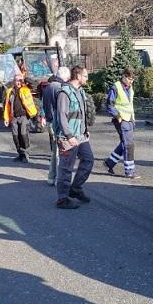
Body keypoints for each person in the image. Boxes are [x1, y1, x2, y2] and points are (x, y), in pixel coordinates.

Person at [53, 65, 93, 209]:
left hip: (81, 136)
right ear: (78, 76)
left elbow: (81, 114)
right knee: (66, 168)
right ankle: (62, 199)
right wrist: (69, 135)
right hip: (67, 137)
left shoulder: (80, 91)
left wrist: (85, 130)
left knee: (88, 160)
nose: (87, 78)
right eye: (85, 76)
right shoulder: (64, 93)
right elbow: (61, 116)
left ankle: (75, 189)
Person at [104, 68, 140, 179]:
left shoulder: (130, 88)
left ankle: (109, 163)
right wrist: (117, 115)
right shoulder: (116, 87)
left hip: (129, 119)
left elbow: (129, 104)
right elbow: (109, 104)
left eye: (132, 79)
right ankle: (130, 171)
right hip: (121, 119)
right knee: (129, 144)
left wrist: (133, 119)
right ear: (123, 76)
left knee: (125, 143)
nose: (131, 81)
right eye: (129, 79)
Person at [42, 66, 71, 185]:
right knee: (60, 152)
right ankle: (59, 179)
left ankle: (51, 177)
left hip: (50, 121)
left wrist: (43, 117)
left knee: (55, 151)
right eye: (68, 77)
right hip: (57, 122)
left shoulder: (48, 87)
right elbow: (61, 109)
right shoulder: (60, 88)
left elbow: (43, 105)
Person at [3, 75, 38, 163]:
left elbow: (35, 86)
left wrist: (25, 79)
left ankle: (26, 154)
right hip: (14, 117)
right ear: (14, 81)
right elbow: (7, 106)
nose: (18, 82)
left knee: (23, 134)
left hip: (24, 116)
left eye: (20, 81)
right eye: (16, 80)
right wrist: (6, 118)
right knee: (15, 136)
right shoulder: (10, 91)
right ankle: (20, 154)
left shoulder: (26, 89)